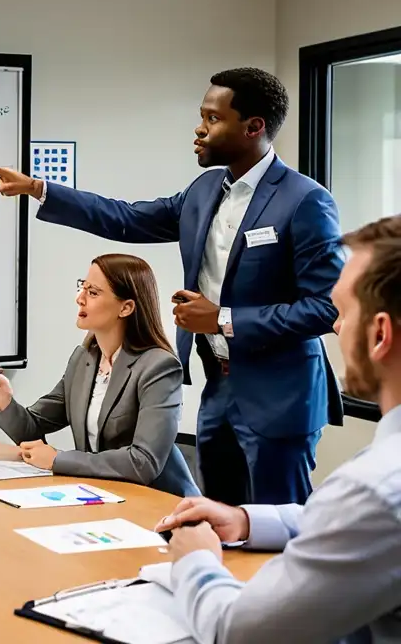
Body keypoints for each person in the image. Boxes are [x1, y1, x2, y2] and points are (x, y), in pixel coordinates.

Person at [0, 67, 344, 506]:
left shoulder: (305, 200)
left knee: (276, 529)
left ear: (253, 127)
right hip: (219, 387)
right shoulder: (205, 190)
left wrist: (222, 319)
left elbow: (326, 308)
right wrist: (38, 188)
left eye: (212, 118)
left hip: (281, 395)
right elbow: (126, 218)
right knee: (220, 522)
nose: (199, 128)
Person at [154, 214, 401, 644]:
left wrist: (195, 561)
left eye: (342, 313)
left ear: (380, 334)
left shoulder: (376, 487)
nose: (335, 326)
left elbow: (237, 631)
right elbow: (355, 526)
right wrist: (248, 519)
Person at [0, 253, 198, 497]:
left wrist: (58, 459)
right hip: (102, 496)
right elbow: (34, 430)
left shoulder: (159, 367)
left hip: (161, 506)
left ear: (126, 307)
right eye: (82, 287)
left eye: (93, 292)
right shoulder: (84, 359)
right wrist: (4, 401)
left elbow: (143, 462)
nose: (79, 299)